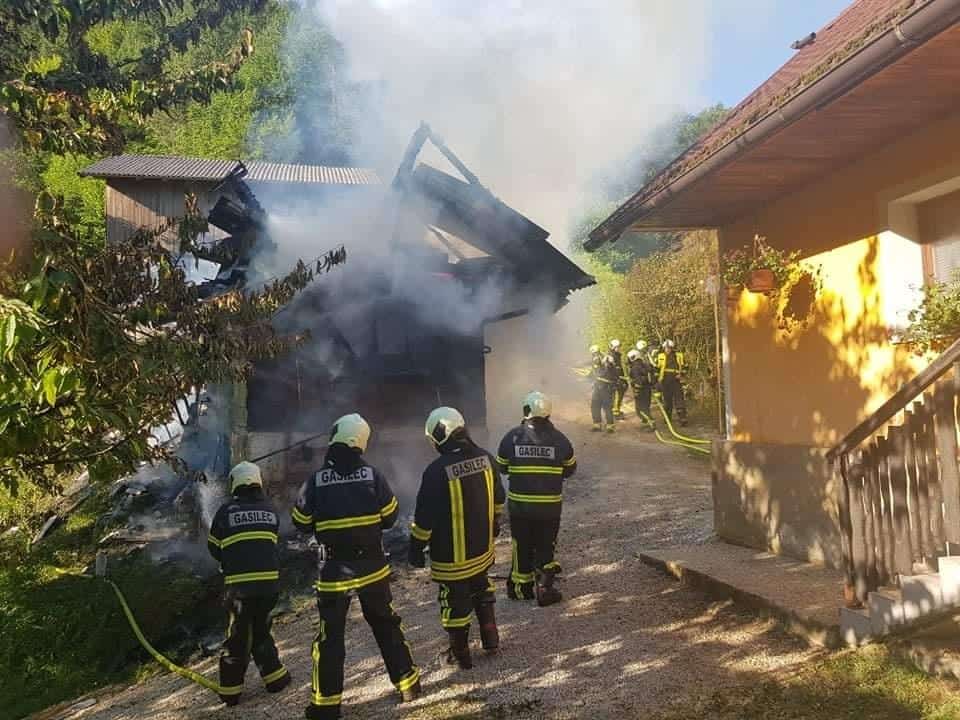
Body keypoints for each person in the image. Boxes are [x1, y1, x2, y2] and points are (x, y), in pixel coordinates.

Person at [292, 414, 421, 720]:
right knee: (386, 624)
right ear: (360, 442)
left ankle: (326, 706)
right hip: (373, 568)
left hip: (333, 573)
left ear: (336, 438)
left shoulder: (315, 481)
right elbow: (390, 517)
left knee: (330, 636)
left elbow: (300, 523)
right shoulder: (372, 476)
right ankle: (408, 686)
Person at [409, 407, 505, 670]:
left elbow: (424, 518)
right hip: (482, 551)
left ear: (439, 437)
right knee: (482, 588)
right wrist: (495, 523)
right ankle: (491, 640)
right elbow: (499, 499)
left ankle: (460, 655)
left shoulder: (436, 471)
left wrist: (416, 547)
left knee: (454, 601)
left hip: (452, 557)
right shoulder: (486, 457)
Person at [207, 461, 291, 706]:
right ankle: (276, 679)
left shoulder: (225, 512)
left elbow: (214, 547)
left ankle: (230, 692)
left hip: (240, 591)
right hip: (269, 588)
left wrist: (229, 557)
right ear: (257, 482)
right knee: (261, 630)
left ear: (235, 483)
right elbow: (269, 543)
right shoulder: (270, 510)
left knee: (238, 637)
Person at [495, 391, 577, 606]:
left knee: (521, 544)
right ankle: (545, 587)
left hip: (520, 506)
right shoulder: (560, 439)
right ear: (548, 414)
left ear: (525, 411)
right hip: (549, 507)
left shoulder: (512, 437)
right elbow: (569, 469)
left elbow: (501, 468)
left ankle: (521, 589)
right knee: (545, 544)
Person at [657, 339, 688, 426]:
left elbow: (685, 367)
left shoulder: (679, 356)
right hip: (665, 380)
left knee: (679, 399)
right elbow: (656, 369)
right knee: (667, 400)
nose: (667, 349)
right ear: (663, 348)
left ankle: (682, 418)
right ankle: (667, 418)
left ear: (672, 348)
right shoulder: (660, 356)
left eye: (669, 348)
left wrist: (681, 374)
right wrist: (656, 382)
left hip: (676, 380)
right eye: (666, 348)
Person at [627, 346, 656, 430]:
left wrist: (636, 389)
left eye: (629, 358)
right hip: (647, 389)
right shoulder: (644, 364)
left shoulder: (635, 367)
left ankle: (651, 423)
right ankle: (647, 423)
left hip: (641, 391)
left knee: (640, 410)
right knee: (646, 407)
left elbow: (638, 381)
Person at [589, 346, 617, 433]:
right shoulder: (600, 359)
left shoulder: (605, 360)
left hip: (605, 387)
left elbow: (602, 373)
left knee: (606, 406)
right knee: (595, 405)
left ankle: (609, 426)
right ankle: (598, 424)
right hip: (599, 387)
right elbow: (594, 372)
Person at [608, 340, 627, 418]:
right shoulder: (611, 356)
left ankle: (617, 410)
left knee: (620, 393)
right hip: (616, 379)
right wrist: (617, 379)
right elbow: (611, 369)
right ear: (612, 347)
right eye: (617, 347)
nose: (619, 348)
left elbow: (619, 368)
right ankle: (615, 413)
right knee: (617, 395)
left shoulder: (617, 355)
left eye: (619, 346)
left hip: (619, 377)